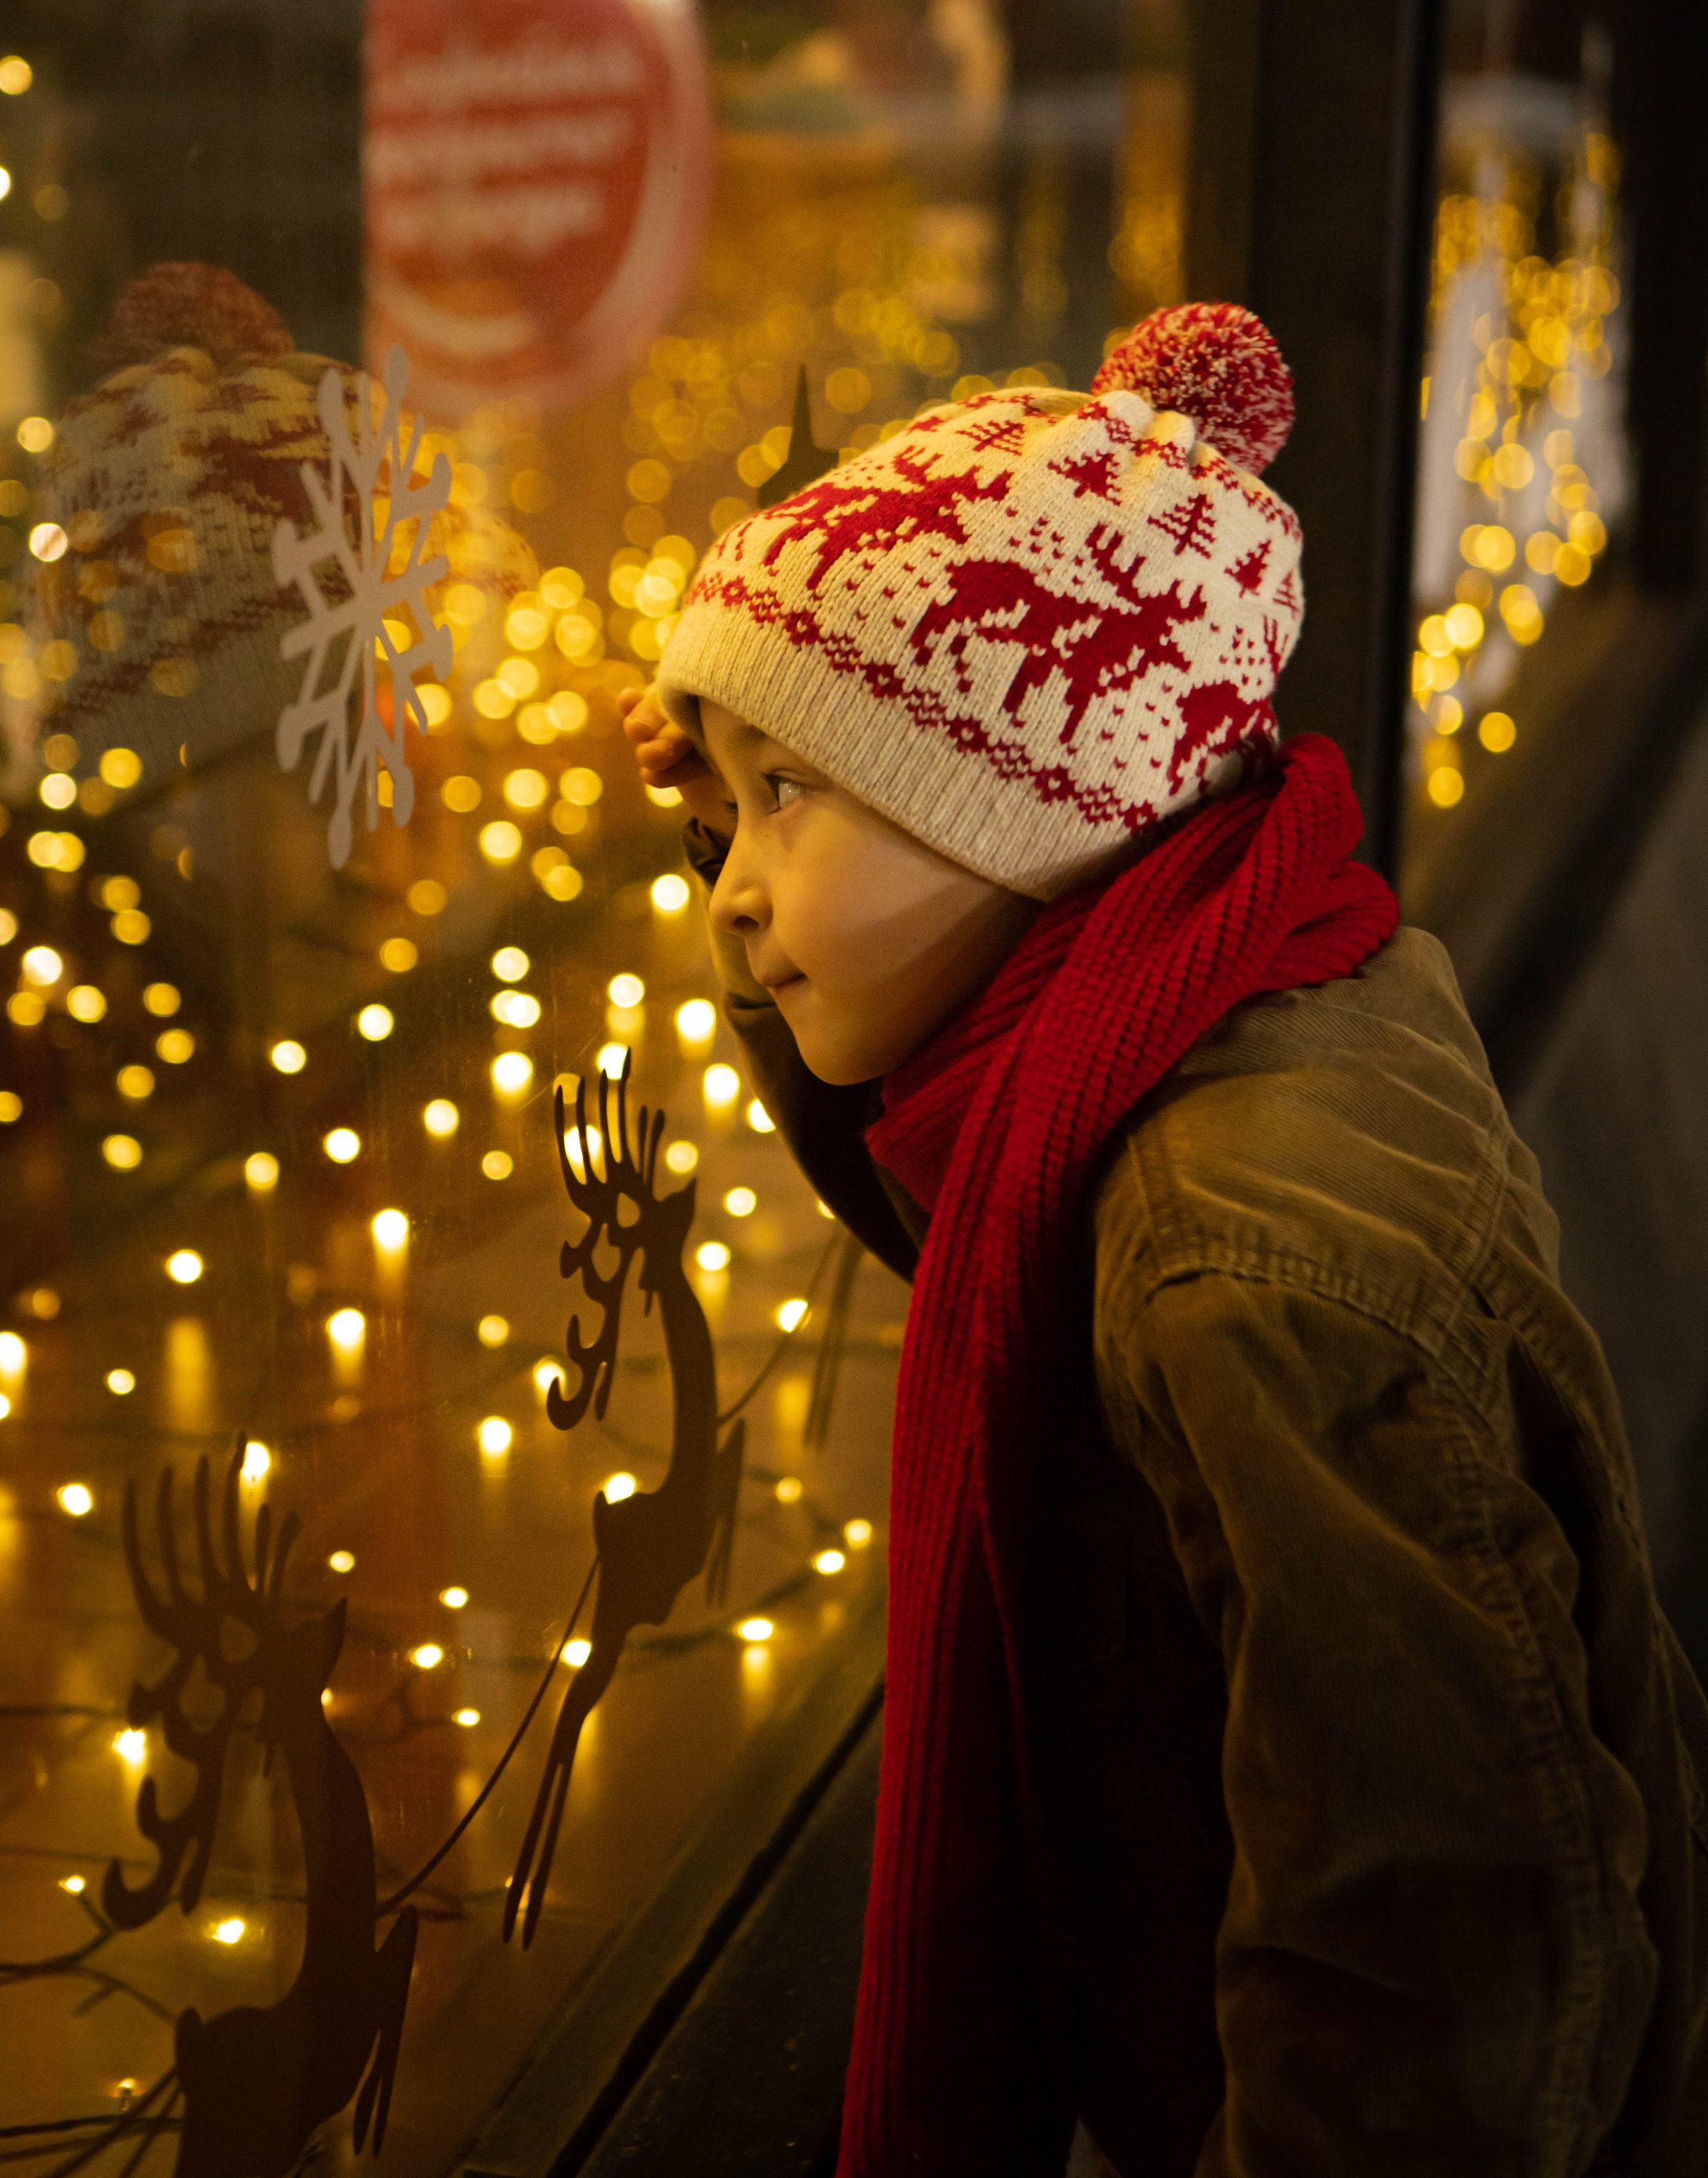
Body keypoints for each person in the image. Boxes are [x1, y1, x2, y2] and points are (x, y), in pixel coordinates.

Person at [619, 300, 1708, 2178]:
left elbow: (1431, 1959)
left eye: (781, 796)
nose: (727, 888)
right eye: (726, 806)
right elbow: (943, 1193)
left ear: (1022, 800)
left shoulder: (1245, 1266)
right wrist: (746, 804)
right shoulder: (1242, 957)